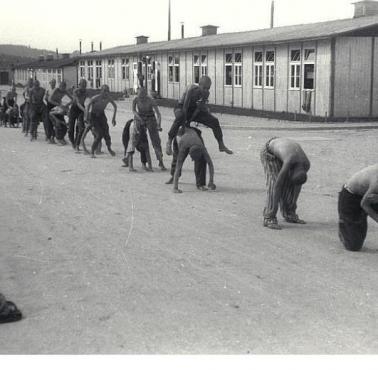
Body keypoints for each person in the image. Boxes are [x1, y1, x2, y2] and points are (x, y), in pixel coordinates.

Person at [166, 76, 233, 156]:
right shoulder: (191, 89)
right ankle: (169, 141)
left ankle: (221, 144)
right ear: (199, 85)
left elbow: (199, 108)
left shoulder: (206, 93)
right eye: (204, 88)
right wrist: (184, 125)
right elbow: (185, 106)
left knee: (214, 121)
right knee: (180, 116)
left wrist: (190, 121)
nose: (206, 90)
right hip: (181, 107)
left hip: (194, 109)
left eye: (208, 88)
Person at [260, 137, 310, 230]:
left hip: (284, 151)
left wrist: (294, 202)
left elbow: (297, 185)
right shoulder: (289, 160)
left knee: (289, 185)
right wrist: (273, 210)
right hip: (269, 151)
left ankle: (289, 213)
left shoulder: (306, 164)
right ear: (291, 171)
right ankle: (269, 217)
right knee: (274, 182)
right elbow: (277, 187)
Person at [338, 164, 378, 252]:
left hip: (372, 196)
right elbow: (364, 204)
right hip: (351, 196)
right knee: (354, 246)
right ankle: (343, 222)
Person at [170, 126, 216, 194]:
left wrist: (211, 181)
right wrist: (175, 188)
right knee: (178, 160)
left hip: (194, 133)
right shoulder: (183, 144)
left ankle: (200, 184)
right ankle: (173, 178)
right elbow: (178, 166)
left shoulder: (201, 147)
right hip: (181, 133)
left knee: (202, 161)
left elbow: (210, 164)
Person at [132, 87, 166, 170]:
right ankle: (140, 161)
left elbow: (158, 114)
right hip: (140, 117)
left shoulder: (151, 100)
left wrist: (158, 124)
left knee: (156, 141)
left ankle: (160, 161)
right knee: (139, 139)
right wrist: (138, 118)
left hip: (150, 118)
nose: (141, 99)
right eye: (140, 96)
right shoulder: (136, 99)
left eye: (143, 97)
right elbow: (134, 110)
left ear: (146, 95)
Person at [84, 84, 117, 158]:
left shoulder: (108, 98)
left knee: (107, 134)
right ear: (101, 91)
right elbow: (88, 105)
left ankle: (109, 148)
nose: (106, 93)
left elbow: (115, 106)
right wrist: (86, 117)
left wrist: (113, 118)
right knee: (99, 134)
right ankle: (92, 151)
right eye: (104, 91)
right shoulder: (96, 98)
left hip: (102, 115)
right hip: (94, 116)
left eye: (107, 91)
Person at [48, 81, 73, 145]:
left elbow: (73, 99)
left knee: (63, 124)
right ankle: (53, 138)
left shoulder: (65, 91)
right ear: (59, 86)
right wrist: (59, 104)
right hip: (51, 105)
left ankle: (61, 137)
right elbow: (49, 99)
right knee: (55, 123)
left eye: (64, 87)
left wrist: (67, 104)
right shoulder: (56, 90)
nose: (63, 88)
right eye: (62, 87)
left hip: (59, 107)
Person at [68, 79, 87, 151]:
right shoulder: (76, 91)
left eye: (85, 85)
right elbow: (78, 103)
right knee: (70, 128)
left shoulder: (86, 91)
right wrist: (85, 110)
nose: (84, 87)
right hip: (74, 109)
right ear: (79, 85)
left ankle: (77, 144)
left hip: (81, 110)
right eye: (82, 85)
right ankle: (73, 142)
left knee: (81, 128)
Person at [44, 79, 57, 143]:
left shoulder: (56, 90)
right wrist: (48, 100)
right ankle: (48, 136)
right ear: (50, 83)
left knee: (55, 122)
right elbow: (45, 98)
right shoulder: (48, 90)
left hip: (54, 106)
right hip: (49, 106)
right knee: (48, 122)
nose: (53, 84)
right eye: (52, 83)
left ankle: (53, 136)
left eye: (54, 83)